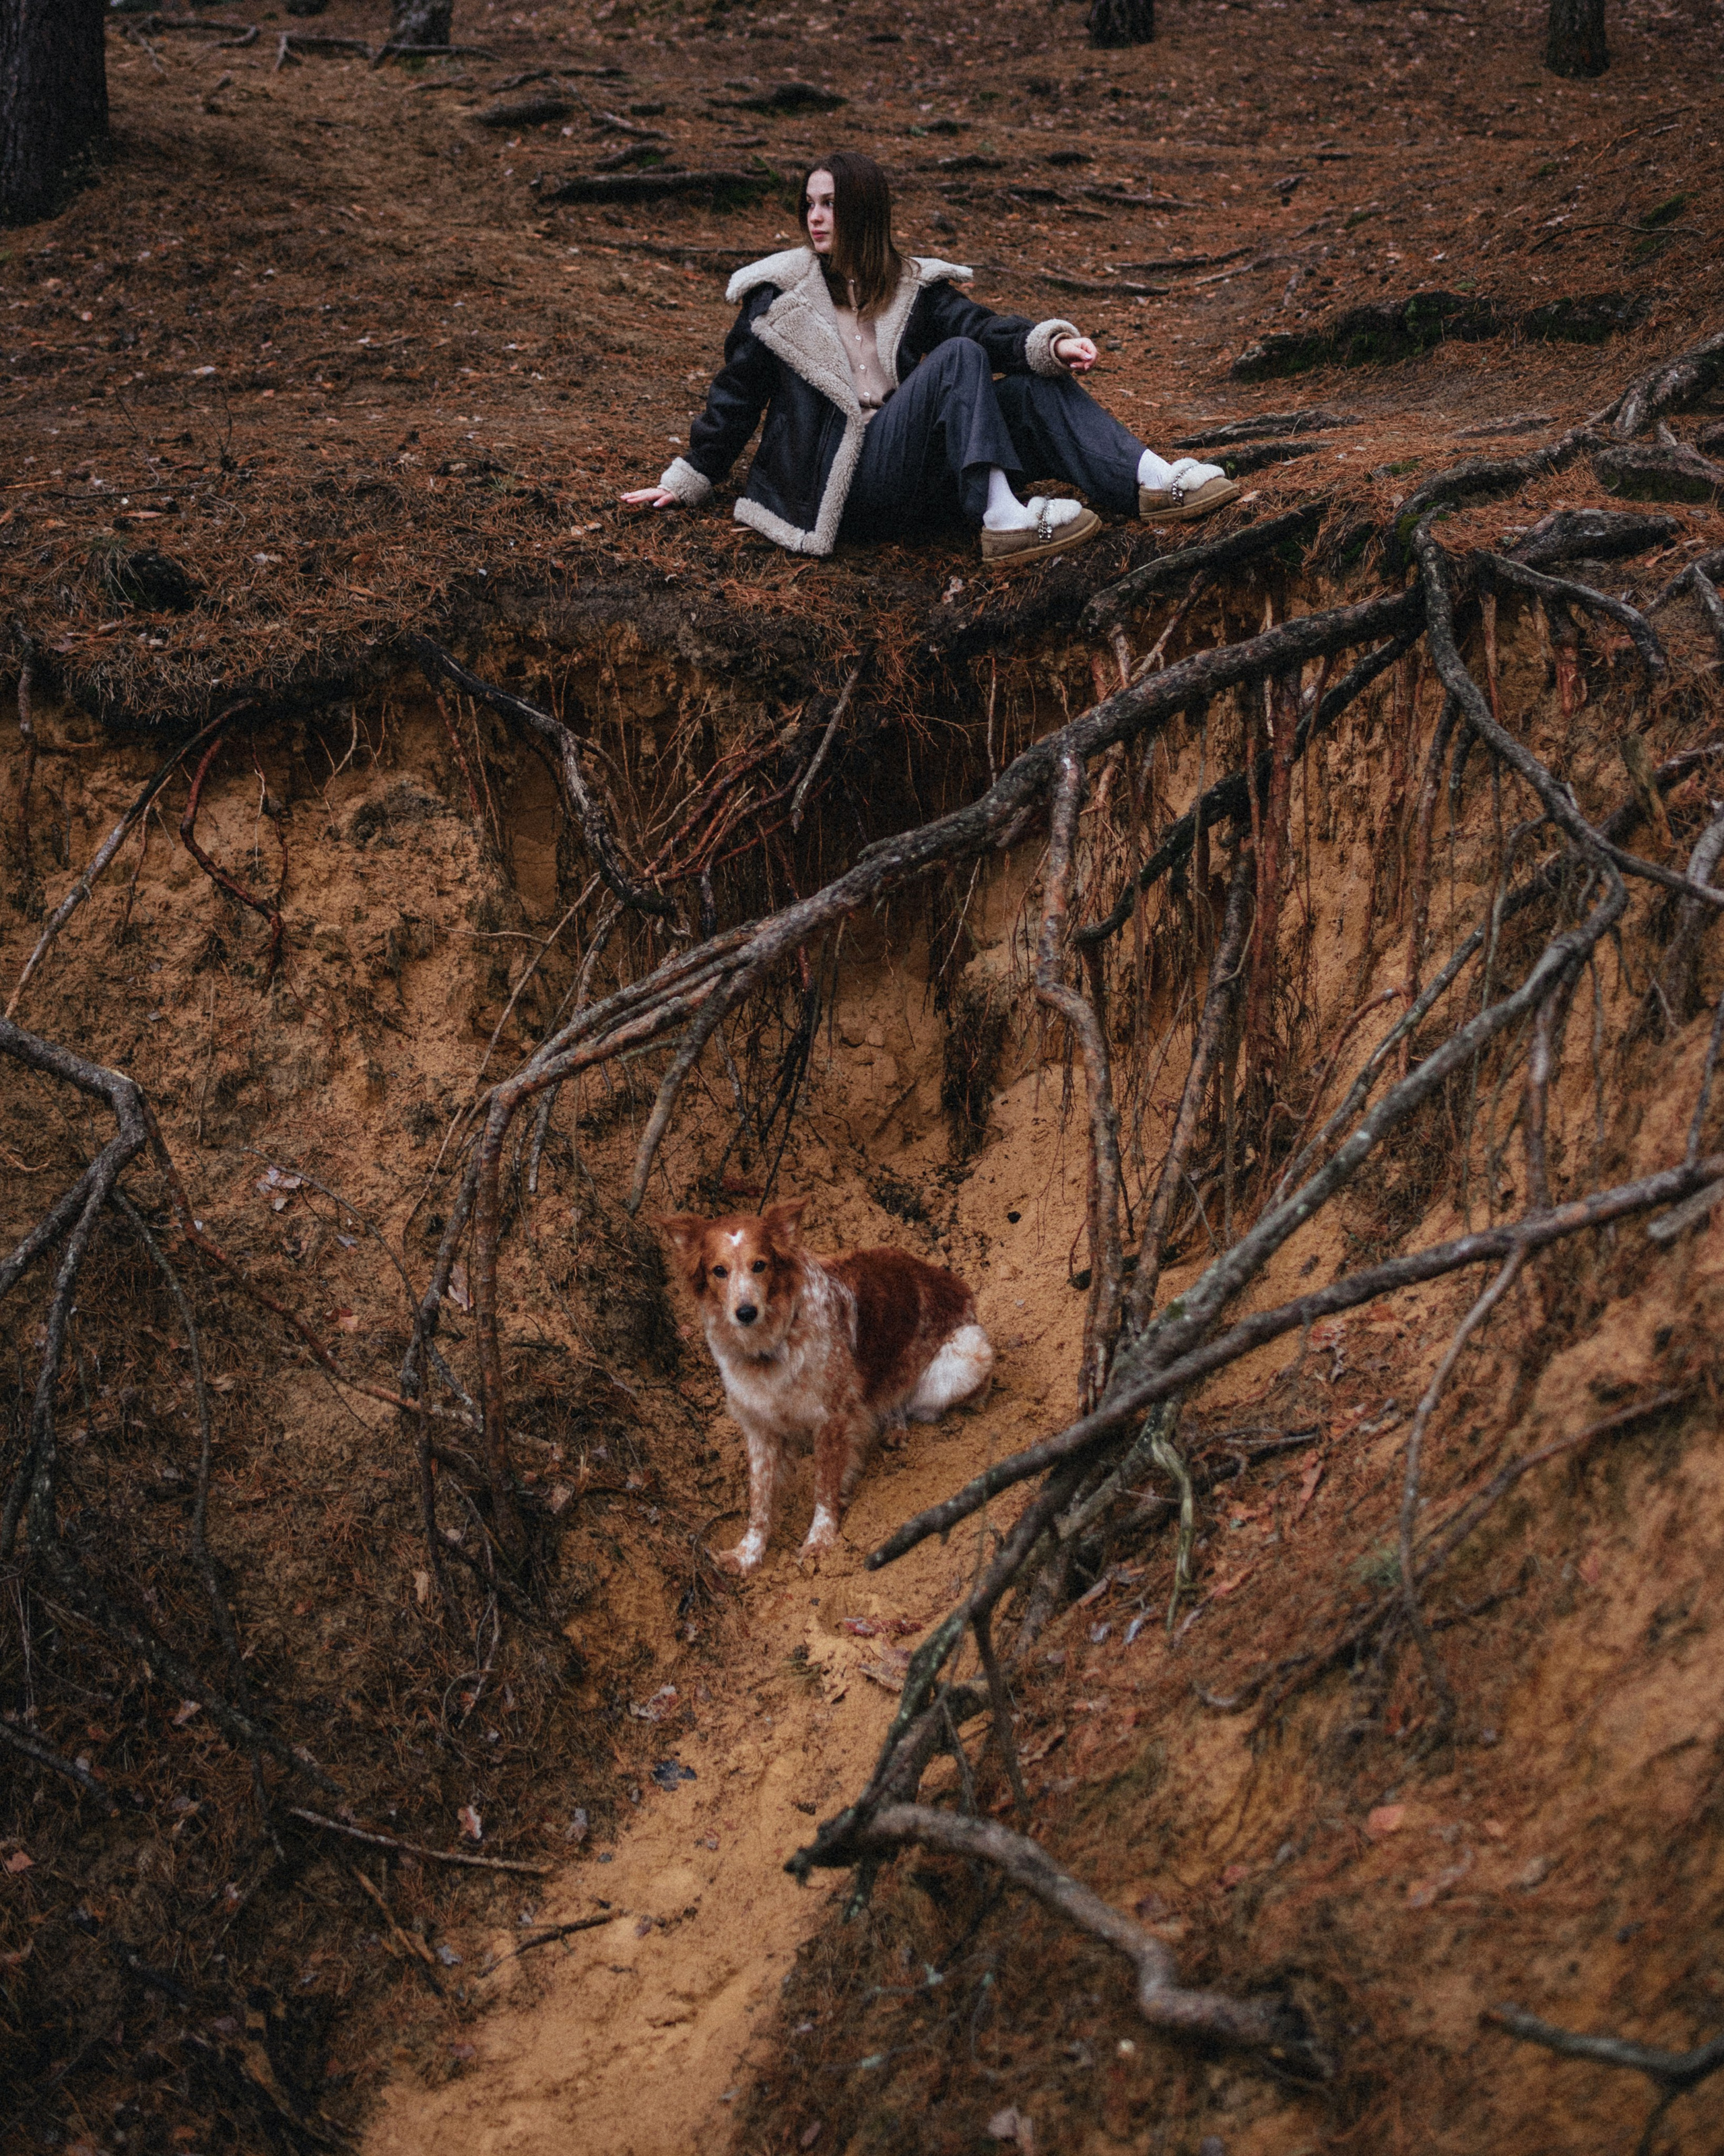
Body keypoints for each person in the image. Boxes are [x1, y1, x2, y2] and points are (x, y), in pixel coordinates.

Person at [621, 150, 1239, 570]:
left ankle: (1151, 480)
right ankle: (1002, 518)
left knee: (1031, 388)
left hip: (915, 473)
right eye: (809, 204)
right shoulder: (779, 297)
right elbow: (736, 394)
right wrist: (688, 478)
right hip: (845, 484)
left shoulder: (910, 286)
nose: (815, 217)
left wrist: (1049, 345)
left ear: (864, 211)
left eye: (830, 203)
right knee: (958, 359)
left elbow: (981, 328)